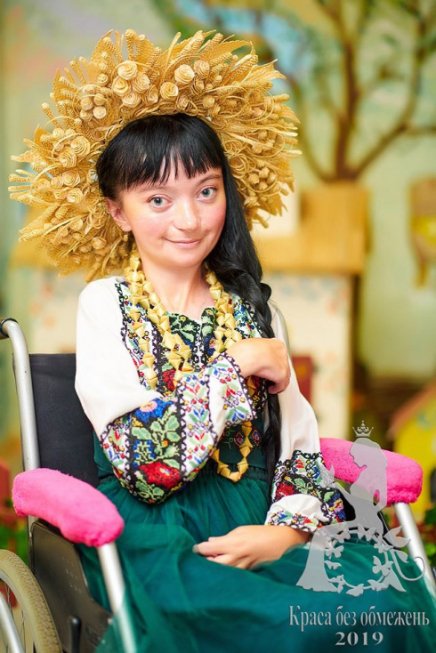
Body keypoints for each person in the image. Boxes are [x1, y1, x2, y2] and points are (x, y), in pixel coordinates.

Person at [10, 29, 435, 653]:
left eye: (206, 191)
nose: (189, 219)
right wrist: (233, 366)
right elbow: (145, 466)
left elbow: (298, 447)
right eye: (158, 199)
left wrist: (284, 535)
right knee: (286, 630)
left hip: (258, 522)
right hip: (156, 536)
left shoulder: (256, 311)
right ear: (118, 211)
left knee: (378, 607)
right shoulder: (106, 307)